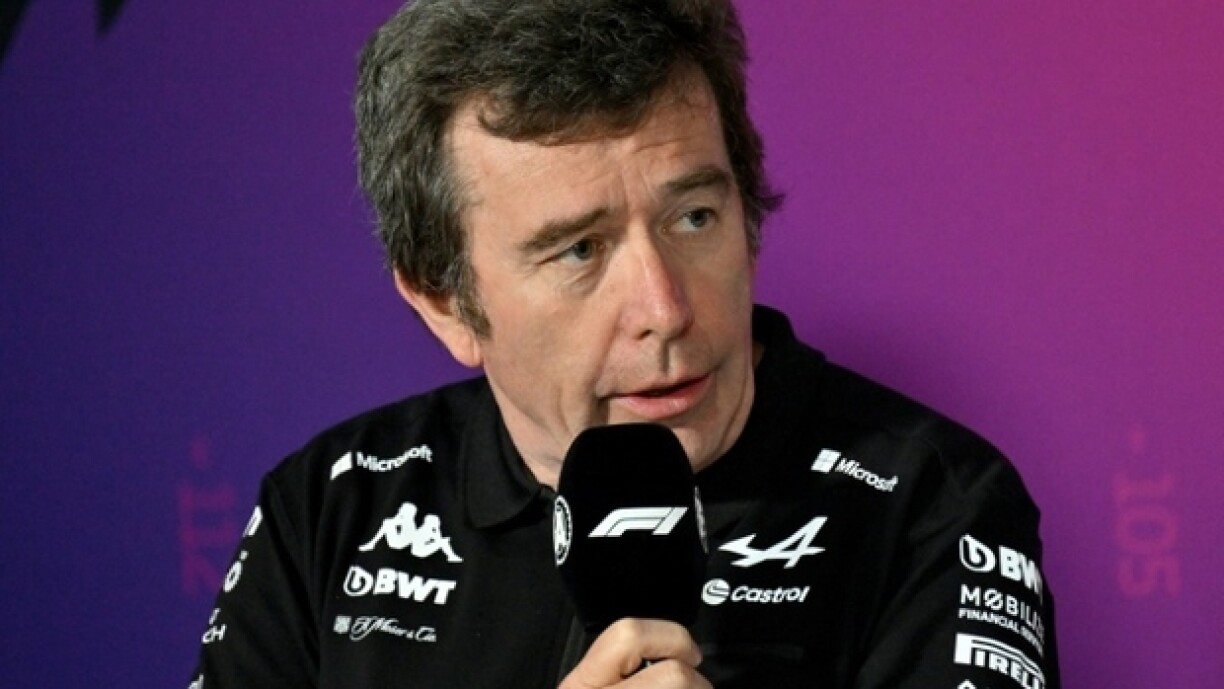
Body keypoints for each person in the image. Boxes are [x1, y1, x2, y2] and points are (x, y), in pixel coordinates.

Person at [191, 1, 1060, 687]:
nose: (664, 308)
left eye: (694, 217)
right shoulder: (330, 508)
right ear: (444, 301)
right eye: (580, 249)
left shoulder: (930, 504)